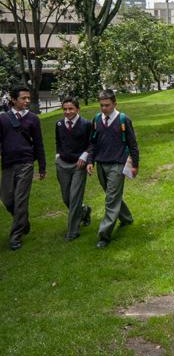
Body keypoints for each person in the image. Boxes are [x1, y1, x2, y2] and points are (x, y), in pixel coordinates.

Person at [86, 88, 139, 249]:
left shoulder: (123, 120)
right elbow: (92, 143)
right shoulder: (96, 120)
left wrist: (135, 165)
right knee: (112, 196)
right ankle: (126, 218)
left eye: (107, 105)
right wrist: (90, 161)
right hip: (101, 164)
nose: (104, 108)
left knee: (110, 199)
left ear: (115, 104)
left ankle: (104, 235)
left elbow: (133, 144)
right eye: (101, 105)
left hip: (118, 164)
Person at [0, 84, 46, 250]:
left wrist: (42, 167)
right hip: (7, 164)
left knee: (20, 200)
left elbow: (39, 144)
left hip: (26, 164)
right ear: (13, 99)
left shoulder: (33, 119)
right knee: (7, 199)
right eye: (23, 98)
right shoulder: (3, 119)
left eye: (28, 98)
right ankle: (23, 221)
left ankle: (16, 236)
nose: (27, 101)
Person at [55, 97, 92, 241]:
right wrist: (58, 156)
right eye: (64, 109)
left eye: (70, 109)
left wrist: (84, 156)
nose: (67, 112)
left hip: (79, 165)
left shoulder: (86, 124)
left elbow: (91, 144)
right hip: (62, 164)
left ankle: (72, 231)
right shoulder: (58, 124)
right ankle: (84, 210)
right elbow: (58, 141)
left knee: (75, 197)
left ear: (77, 109)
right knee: (66, 198)